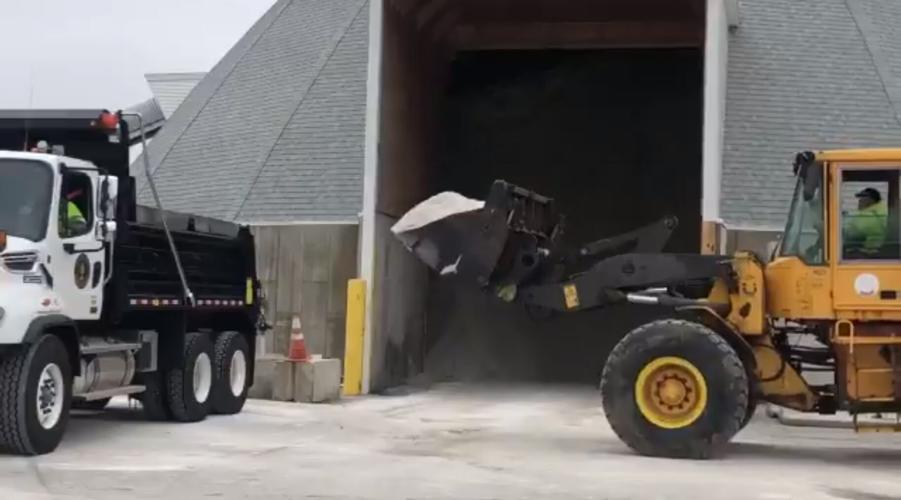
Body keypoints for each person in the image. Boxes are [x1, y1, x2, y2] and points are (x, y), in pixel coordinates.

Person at [843, 187, 888, 256]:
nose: (859, 201)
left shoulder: (868, 214)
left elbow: (851, 234)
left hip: (871, 252)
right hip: (883, 249)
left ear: (870, 199)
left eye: (862, 197)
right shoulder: (884, 209)